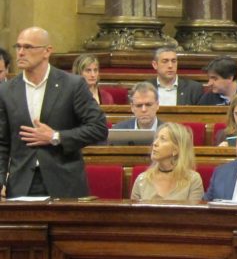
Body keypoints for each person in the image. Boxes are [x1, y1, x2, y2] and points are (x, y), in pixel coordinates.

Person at [0, 27, 108, 198]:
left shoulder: (72, 85)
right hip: (21, 184)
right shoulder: (6, 90)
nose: (20, 52)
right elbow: (2, 142)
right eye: (18, 46)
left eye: (28, 47)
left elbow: (99, 128)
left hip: (64, 182)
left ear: (47, 51)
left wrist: (55, 137)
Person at [130, 122, 204, 201]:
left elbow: (194, 209)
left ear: (176, 150)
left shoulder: (193, 180)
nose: (155, 143)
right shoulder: (142, 180)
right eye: (156, 138)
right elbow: (132, 208)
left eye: (163, 139)